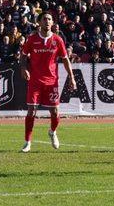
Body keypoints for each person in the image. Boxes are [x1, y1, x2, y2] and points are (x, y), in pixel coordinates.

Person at [19, 12, 76, 153]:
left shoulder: (58, 40)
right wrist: (23, 68)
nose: (47, 21)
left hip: (51, 81)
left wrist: (72, 77)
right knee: (31, 111)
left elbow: (65, 59)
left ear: (52, 22)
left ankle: (52, 132)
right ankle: (27, 142)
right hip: (35, 81)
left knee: (55, 111)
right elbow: (23, 55)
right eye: (44, 19)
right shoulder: (32, 39)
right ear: (39, 22)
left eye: (50, 19)